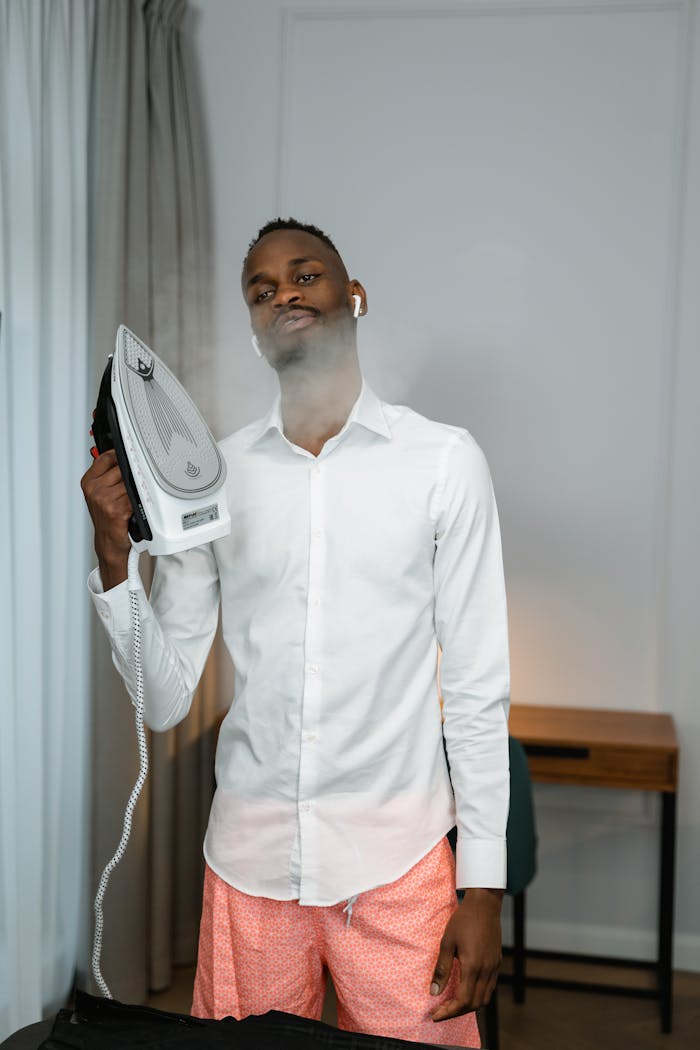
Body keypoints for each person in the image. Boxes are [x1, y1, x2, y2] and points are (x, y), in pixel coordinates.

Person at [81, 218, 510, 1048]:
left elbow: (480, 687)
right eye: (261, 289)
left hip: (399, 865)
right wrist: (111, 557)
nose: (283, 294)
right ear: (253, 331)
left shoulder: (443, 463)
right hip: (249, 864)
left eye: (304, 276)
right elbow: (165, 699)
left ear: (353, 297)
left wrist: (483, 891)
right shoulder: (214, 478)